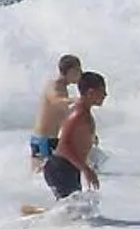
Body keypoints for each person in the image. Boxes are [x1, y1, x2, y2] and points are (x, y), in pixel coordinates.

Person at [24, 71, 105, 211]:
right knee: (72, 213)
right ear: (91, 92)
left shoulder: (83, 113)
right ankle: (31, 213)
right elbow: (63, 147)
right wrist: (86, 169)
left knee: (74, 212)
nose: (105, 96)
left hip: (69, 168)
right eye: (102, 91)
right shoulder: (78, 114)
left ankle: (33, 213)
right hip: (60, 168)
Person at [31, 55, 82, 169]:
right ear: (71, 71)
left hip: (50, 140)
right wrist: (75, 100)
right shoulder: (54, 85)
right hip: (43, 141)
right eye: (79, 70)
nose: (81, 74)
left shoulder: (64, 89)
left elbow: (65, 116)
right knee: (48, 178)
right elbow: (56, 100)